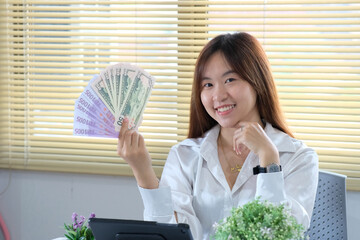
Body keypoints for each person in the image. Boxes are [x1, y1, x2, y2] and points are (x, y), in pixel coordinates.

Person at [117, 32, 319, 240]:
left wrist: (269, 160)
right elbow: (171, 234)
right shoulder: (185, 155)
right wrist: (143, 172)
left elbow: (280, 234)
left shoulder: (299, 157)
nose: (218, 96)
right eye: (208, 85)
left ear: (257, 81)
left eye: (230, 80)